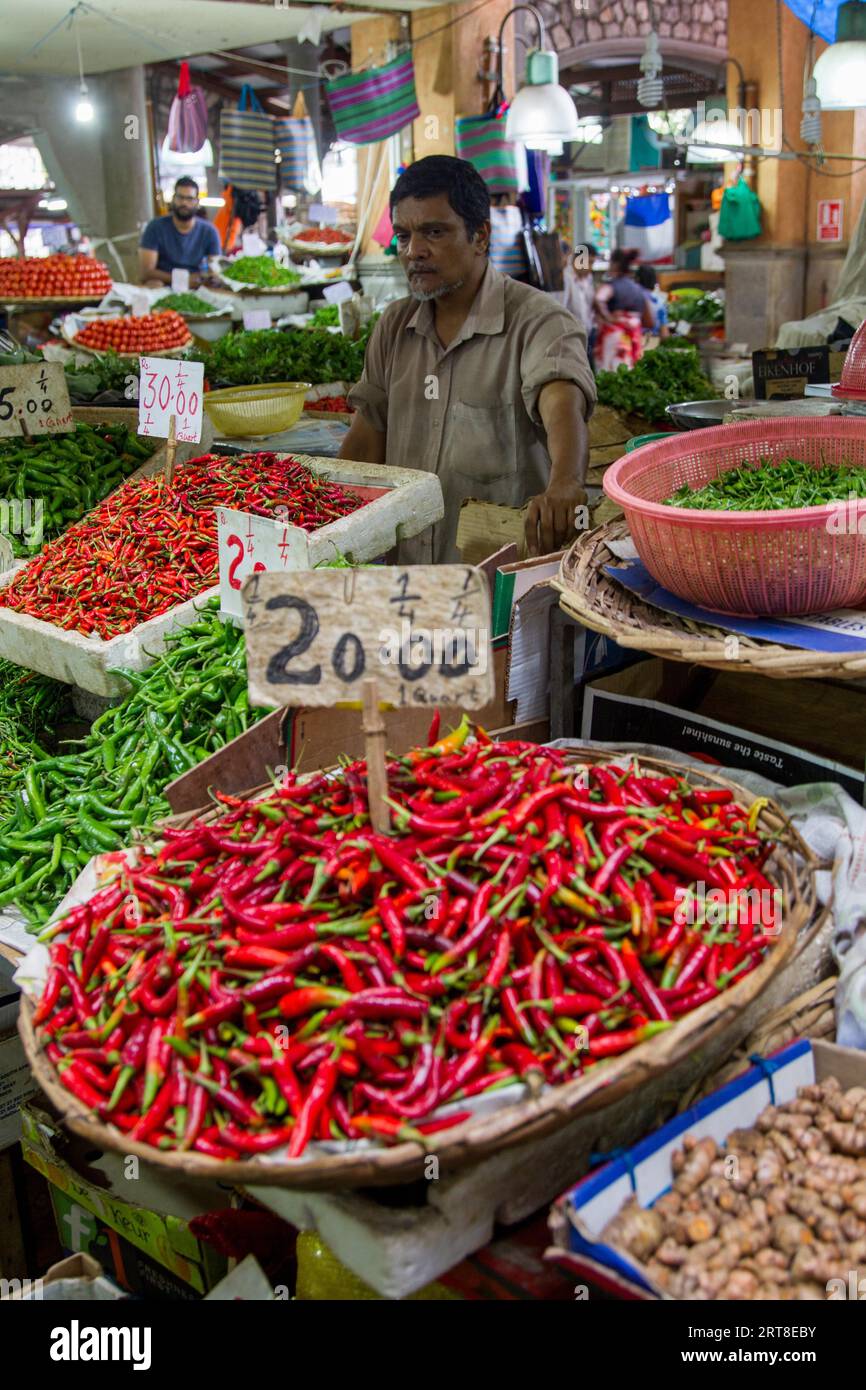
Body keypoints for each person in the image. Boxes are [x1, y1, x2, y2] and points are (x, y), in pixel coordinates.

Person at [339, 156, 596, 561]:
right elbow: (367, 438)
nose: (414, 251)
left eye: (434, 232)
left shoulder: (539, 321)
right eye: (403, 236)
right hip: (404, 580)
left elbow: (561, 400)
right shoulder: (394, 325)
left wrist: (565, 482)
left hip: (492, 586)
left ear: (480, 236)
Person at [139, 178, 221, 287]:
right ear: (173, 199)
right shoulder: (155, 227)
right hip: (164, 284)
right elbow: (146, 272)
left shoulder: (209, 231)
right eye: (180, 197)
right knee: (154, 284)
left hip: (195, 285)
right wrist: (182, 280)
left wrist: (209, 277)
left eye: (189, 198)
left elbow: (215, 269)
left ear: (197, 202)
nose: (184, 203)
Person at [593, 247, 655, 372]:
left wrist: (609, 318)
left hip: (613, 342)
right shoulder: (639, 290)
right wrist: (632, 323)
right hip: (633, 342)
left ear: (615, 264)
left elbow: (598, 299)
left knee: (609, 377)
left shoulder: (611, 286)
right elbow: (650, 322)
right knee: (628, 376)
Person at [549, 239, 596, 336]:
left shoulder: (587, 278)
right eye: (590, 262)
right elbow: (559, 310)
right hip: (570, 335)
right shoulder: (565, 279)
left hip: (587, 331)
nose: (591, 267)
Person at [635, 263, 669, 340]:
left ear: (637, 279)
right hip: (652, 341)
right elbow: (664, 333)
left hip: (634, 341)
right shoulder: (659, 302)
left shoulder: (632, 297)